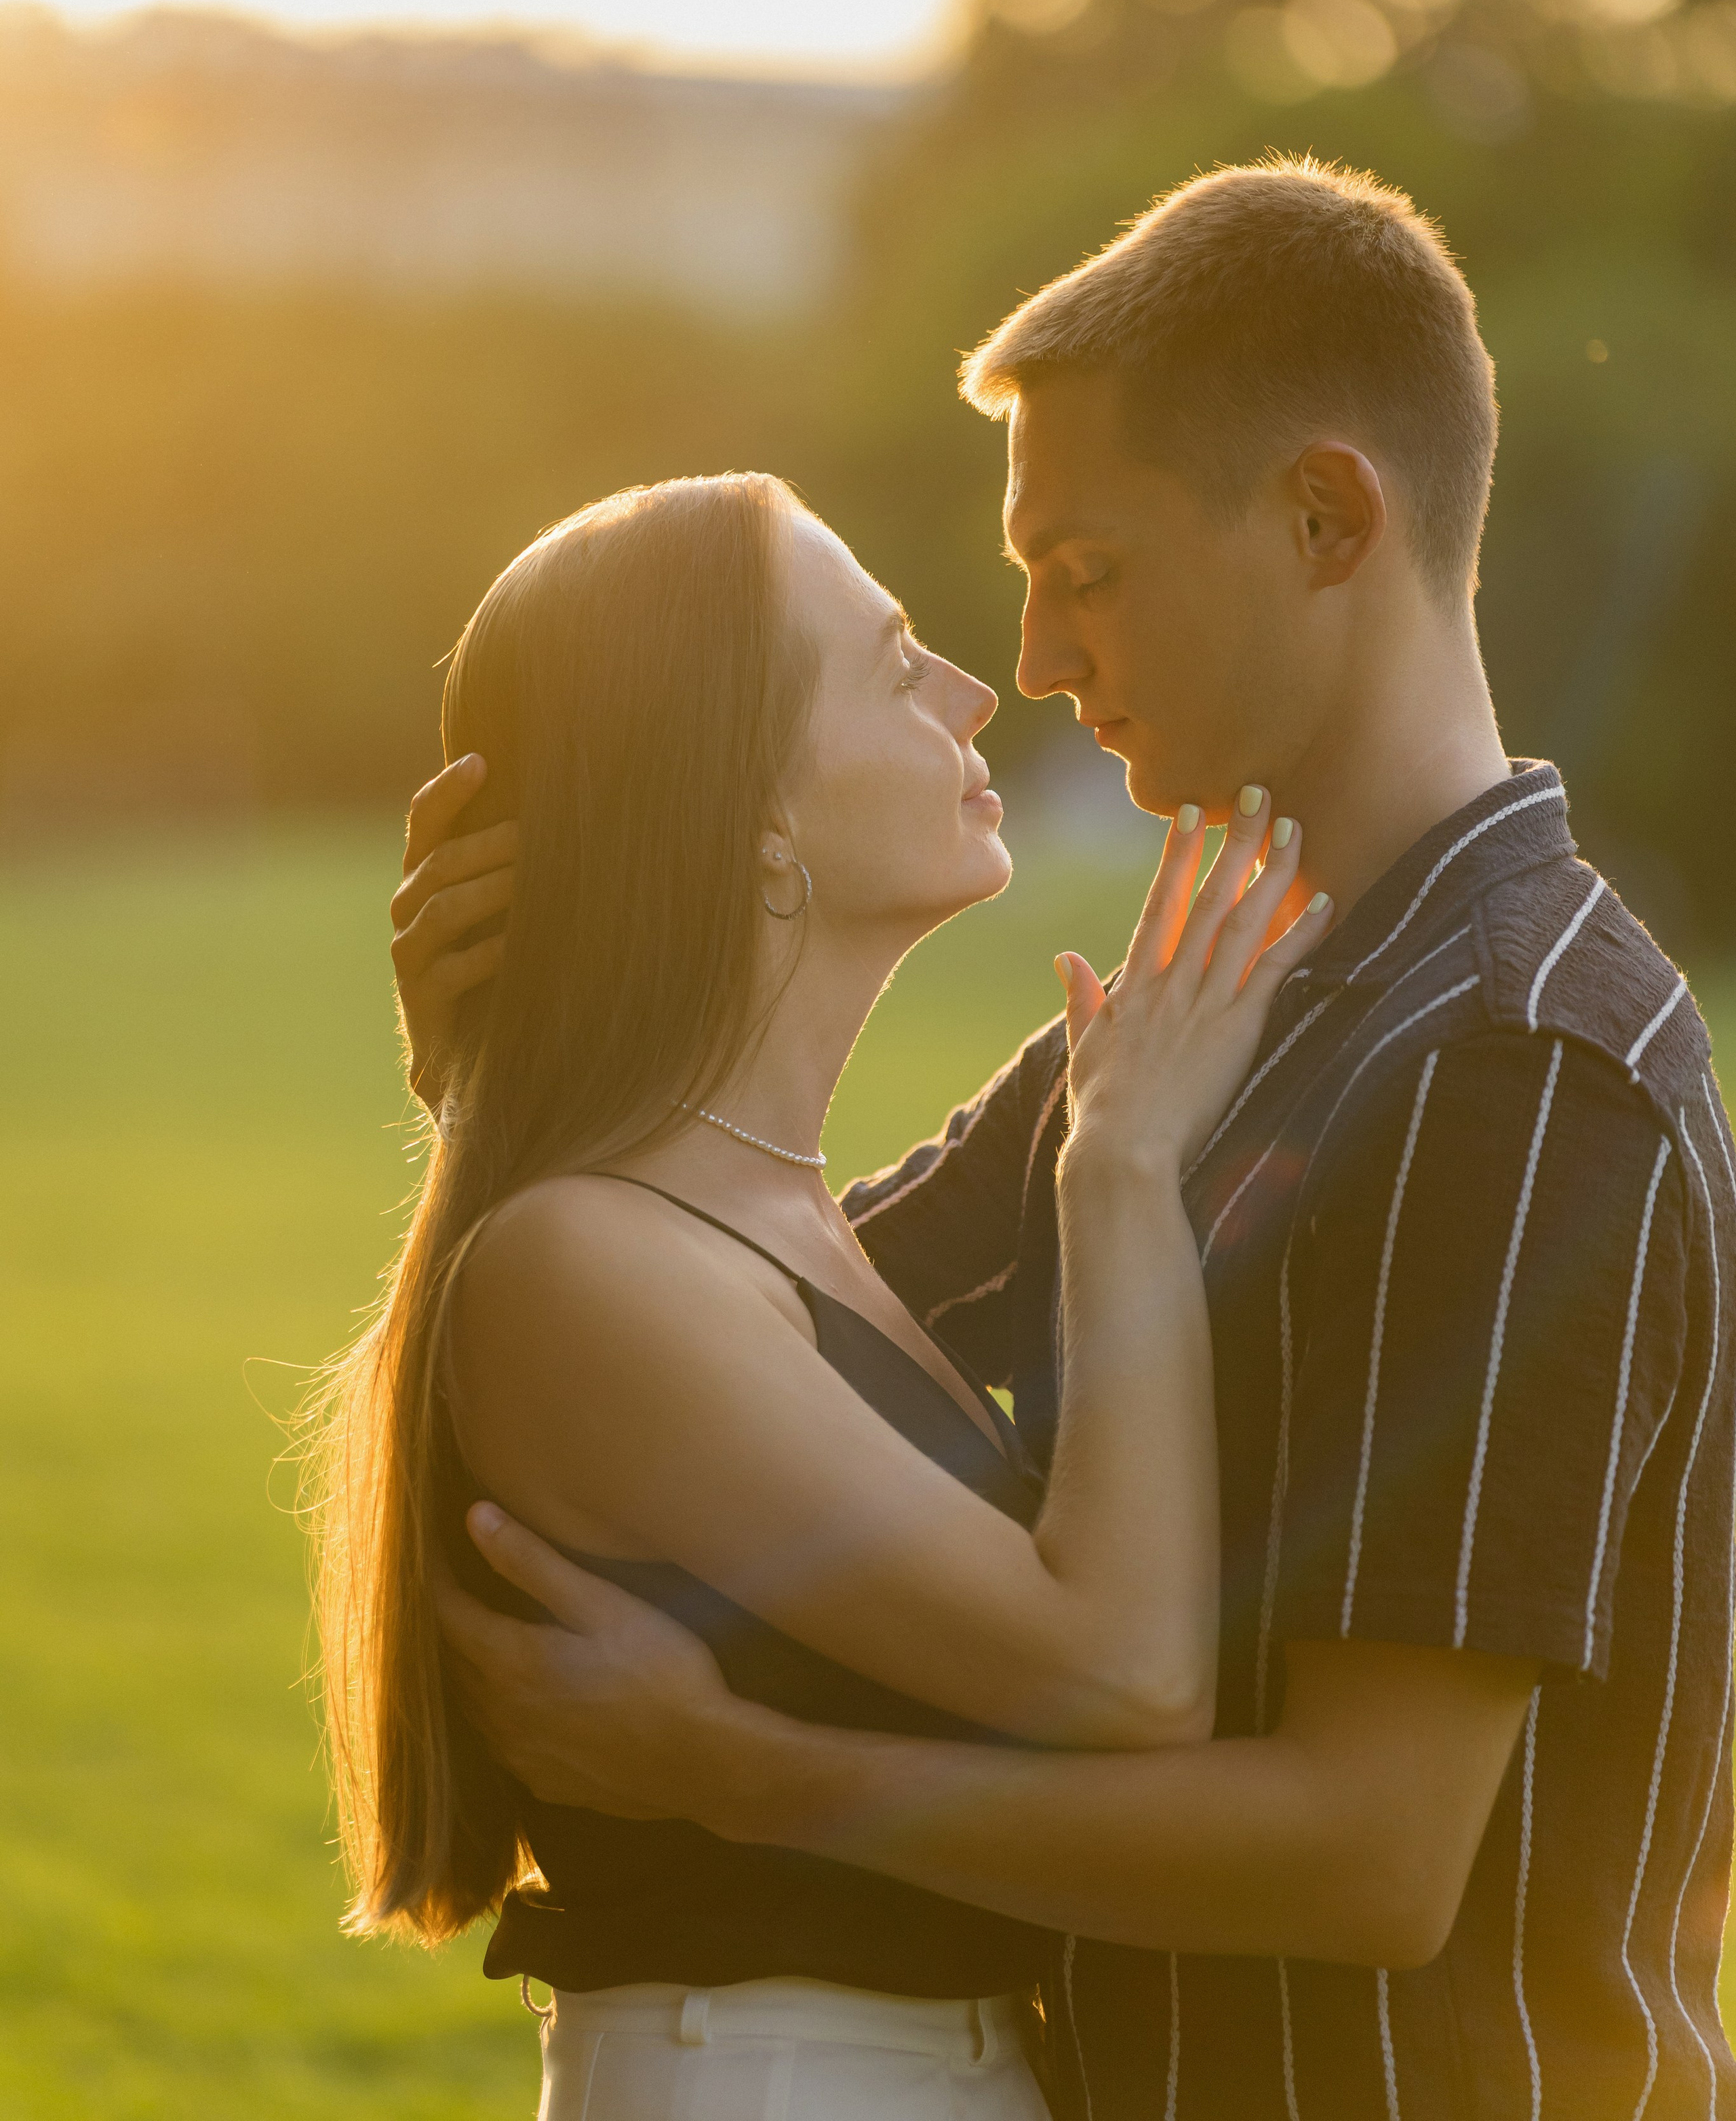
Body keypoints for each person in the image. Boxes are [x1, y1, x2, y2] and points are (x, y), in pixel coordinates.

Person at [403, 161, 1736, 2121]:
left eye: (1087, 569)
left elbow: (1371, 1861)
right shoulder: (1191, 1035)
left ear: (1322, 518)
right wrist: (495, 1072)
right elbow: (748, 1343)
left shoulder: (1515, 1060)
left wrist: (750, 1779)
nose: (1030, 657)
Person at [317, 467, 1337, 2121]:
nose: (972, 690)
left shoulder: (755, 1223)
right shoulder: (590, 1261)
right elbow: (1130, 1679)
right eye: (891, 662)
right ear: (748, 815)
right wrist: (1118, 1168)